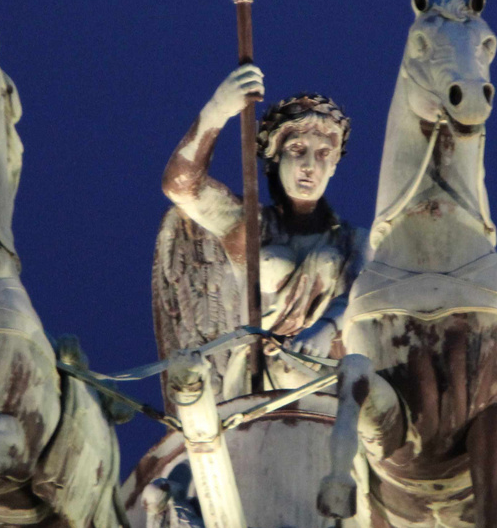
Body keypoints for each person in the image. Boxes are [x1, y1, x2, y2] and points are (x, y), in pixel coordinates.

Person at [156, 64, 365, 393]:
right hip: (256, 386)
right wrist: (218, 108)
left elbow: (360, 296)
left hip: (327, 381)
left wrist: (324, 330)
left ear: (335, 165)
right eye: (297, 150)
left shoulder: (353, 240)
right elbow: (180, 185)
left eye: (324, 154)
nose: (310, 165)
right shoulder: (249, 225)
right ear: (275, 157)